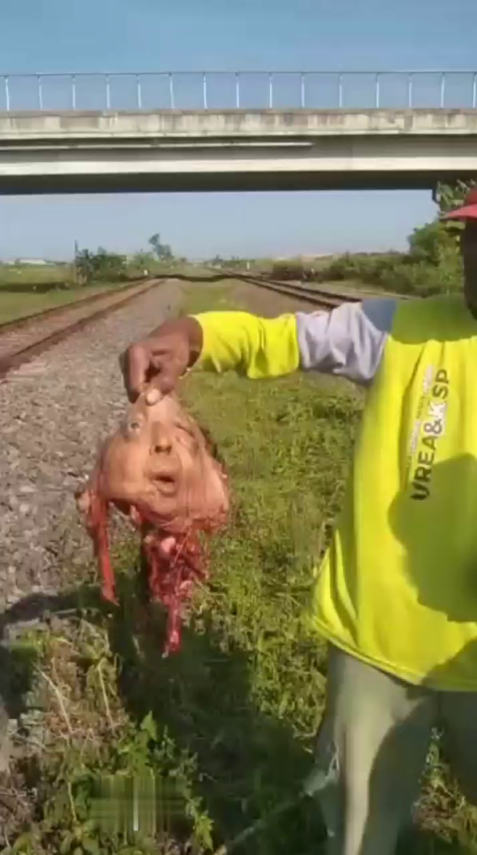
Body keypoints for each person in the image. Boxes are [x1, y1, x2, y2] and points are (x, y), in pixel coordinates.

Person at [120, 190, 477, 855]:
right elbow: (283, 338)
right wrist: (192, 335)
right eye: (469, 240)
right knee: (357, 833)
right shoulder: (404, 330)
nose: (473, 256)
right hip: (376, 645)